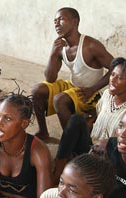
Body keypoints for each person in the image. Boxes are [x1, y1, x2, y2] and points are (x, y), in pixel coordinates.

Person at [53, 57, 126, 183]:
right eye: (112, 74)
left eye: (120, 78)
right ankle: (59, 168)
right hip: (92, 148)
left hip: (110, 158)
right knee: (76, 120)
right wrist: (87, 125)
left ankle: (80, 167)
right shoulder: (107, 94)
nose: (112, 80)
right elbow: (98, 114)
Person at [31, 7, 114, 140]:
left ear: (75, 22)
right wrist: (53, 54)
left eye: (61, 19)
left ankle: (71, 143)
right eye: (55, 21)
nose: (57, 24)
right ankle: (43, 131)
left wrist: (92, 89)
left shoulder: (90, 45)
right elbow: (50, 79)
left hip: (90, 93)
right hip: (73, 86)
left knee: (59, 99)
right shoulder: (60, 47)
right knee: (37, 90)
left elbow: (116, 68)